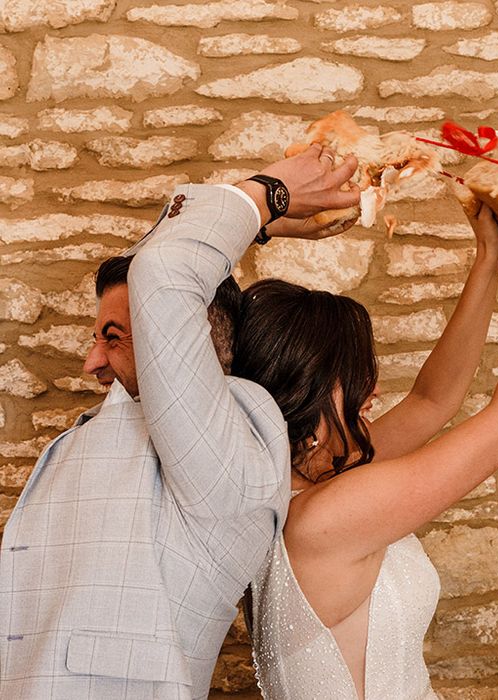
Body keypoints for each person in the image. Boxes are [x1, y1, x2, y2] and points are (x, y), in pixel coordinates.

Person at [240, 156, 498, 699]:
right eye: (359, 379)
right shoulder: (325, 519)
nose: (375, 393)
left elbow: (432, 400)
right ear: (308, 389)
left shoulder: (296, 482)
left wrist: (489, 258)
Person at [0, 144, 360, 699]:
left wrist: (267, 197)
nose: (90, 362)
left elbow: (164, 274)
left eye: (112, 338)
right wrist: (255, 228)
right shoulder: (134, 420)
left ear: (191, 344)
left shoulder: (234, 434)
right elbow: (151, 266)